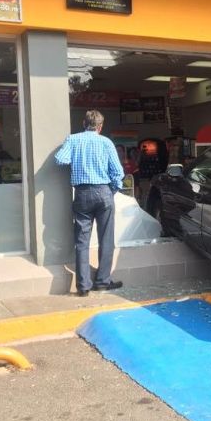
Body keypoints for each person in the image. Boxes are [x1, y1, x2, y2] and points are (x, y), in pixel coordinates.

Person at [55, 110, 124, 297]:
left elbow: (60, 159)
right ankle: (102, 281)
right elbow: (118, 173)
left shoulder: (73, 139)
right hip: (104, 192)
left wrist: (77, 160)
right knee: (106, 239)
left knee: (82, 241)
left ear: (83, 123)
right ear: (100, 126)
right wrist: (112, 190)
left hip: (82, 193)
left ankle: (83, 286)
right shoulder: (106, 142)